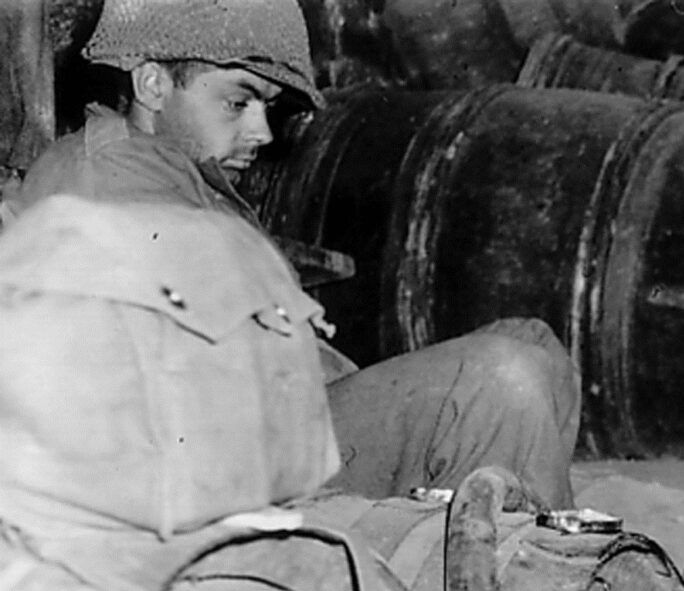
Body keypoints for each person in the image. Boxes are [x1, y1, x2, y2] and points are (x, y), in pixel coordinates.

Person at [11, 0, 581, 508]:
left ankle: (513, 546)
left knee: (536, 344)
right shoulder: (103, 177)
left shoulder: (179, 172)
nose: (261, 131)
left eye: (266, 107)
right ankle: (498, 577)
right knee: (502, 378)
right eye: (238, 102)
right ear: (153, 85)